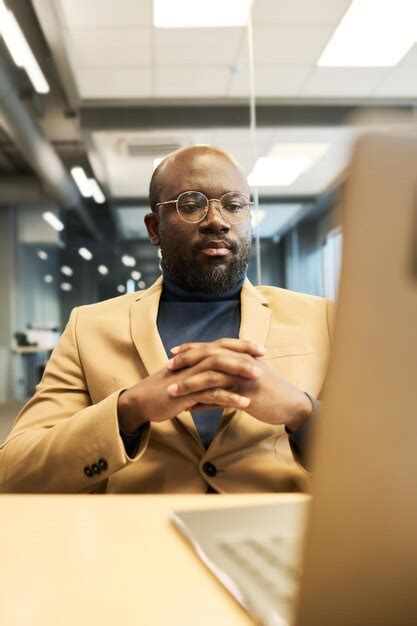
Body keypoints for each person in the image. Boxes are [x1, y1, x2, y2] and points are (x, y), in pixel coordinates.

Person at [0, 146, 332, 494]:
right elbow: (14, 474)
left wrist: (301, 411)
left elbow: (383, 457)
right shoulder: (89, 328)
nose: (217, 220)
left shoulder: (322, 318)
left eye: (234, 206)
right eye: (191, 205)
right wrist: (129, 409)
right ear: (154, 227)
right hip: (137, 540)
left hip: (280, 540)